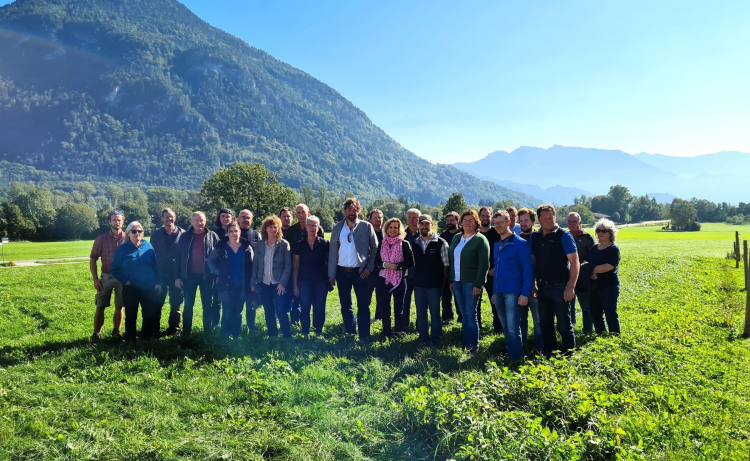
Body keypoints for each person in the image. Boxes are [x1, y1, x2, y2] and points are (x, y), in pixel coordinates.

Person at [531, 204, 579, 356]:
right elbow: (533, 261)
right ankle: (550, 354)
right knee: (545, 324)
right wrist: (533, 284)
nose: (548, 220)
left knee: (564, 325)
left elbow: (575, 262)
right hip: (542, 287)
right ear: (538, 219)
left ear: (555, 217)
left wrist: (570, 287)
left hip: (561, 287)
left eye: (550, 217)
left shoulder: (564, 236)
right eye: (544, 218)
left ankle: (569, 355)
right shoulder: (536, 237)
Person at [328, 197, 378, 341]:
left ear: (358, 211)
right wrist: (331, 274)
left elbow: (375, 248)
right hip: (342, 272)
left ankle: (364, 335)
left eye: (354, 209)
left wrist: (368, 268)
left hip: (360, 272)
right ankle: (350, 332)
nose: (352, 212)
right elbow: (333, 253)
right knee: (345, 304)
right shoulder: (337, 228)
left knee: (363, 304)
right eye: (349, 210)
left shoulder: (366, 226)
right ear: (345, 211)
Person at [110, 221, 163, 343]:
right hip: (131, 288)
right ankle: (130, 339)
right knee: (131, 314)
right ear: (128, 233)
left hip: (149, 287)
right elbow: (114, 268)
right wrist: (125, 281)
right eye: (134, 231)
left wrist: (158, 282)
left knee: (148, 314)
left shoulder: (148, 246)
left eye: (140, 231)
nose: (137, 233)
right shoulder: (122, 249)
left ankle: (146, 337)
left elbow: (155, 266)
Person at [491, 211, 533, 362]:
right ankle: (512, 354)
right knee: (506, 327)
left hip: (514, 292)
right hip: (499, 292)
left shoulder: (520, 243)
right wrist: (494, 292)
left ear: (509, 222)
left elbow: (528, 269)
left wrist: (525, 293)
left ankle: (517, 358)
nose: (498, 226)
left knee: (514, 328)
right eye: (495, 223)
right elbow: (497, 270)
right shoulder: (497, 244)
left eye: (501, 222)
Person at [449, 210, 489, 353]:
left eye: (471, 220)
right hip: (457, 281)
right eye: (465, 219)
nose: (467, 222)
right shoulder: (457, 238)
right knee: (464, 315)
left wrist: (478, 284)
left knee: (471, 315)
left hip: (471, 283)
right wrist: (451, 280)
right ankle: (466, 344)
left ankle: (474, 346)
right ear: (461, 222)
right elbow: (452, 260)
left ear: (476, 222)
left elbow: (484, 264)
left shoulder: (480, 239)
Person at [174, 212, 220, 336]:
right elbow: (178, 257)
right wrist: (177, 277)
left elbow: (219, 258)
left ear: (205, 221)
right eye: (196, 220)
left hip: (207, 277)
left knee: (207, 305)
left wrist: (217, 275)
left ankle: (207, 332)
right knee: (188, 306)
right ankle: (186, 332)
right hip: (189, 277)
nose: (199, 223)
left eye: (201, 220)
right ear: (191, 221)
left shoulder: (213, 236)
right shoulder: (185, 236)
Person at [207, 221, 254, 339]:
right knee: (227, 312)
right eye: (231, 231)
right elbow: (210, 261)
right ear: (227, 233)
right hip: (226, 285)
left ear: (240, 232)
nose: (234, 234)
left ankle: (236, 335)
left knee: (238, 312)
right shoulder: (221, 247)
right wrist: (219, 273)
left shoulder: (247, 247)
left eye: (236, 231)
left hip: (242, 285)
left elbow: (253, 265)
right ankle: (225, 335)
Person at [253, 215, 293, 340]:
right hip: (264, 283)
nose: (273, 230)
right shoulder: (260, 245)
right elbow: (255, 265)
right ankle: (272, 336)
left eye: (275, 227)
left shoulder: (284, 244)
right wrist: (254, 282)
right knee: (268, 311)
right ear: (265, 229)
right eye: (270, 227)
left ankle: (287, 336)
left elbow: (288, 266)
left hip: (278, 284)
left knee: (281, 311)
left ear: (279, 229)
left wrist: (282, 283)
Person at [284, 204, 324, 325]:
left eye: (303, 212)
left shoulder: (318, 229)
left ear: (309, 212)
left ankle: (315, 325)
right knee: (296, 298)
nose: (301, 215)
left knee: (314, 301)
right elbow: (288, 250)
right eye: (298, 213)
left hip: (315, 271)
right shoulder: (291, 230)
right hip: (296, 268)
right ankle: (295, 323)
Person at [412, 215, 449, 346]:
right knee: (421, 313)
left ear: (432, 225)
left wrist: (441, 282)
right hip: (418, 285)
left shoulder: (441, 243)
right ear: (418, 226)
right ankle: (423, 338)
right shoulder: (414, 243)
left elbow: (446, 265)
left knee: (435, 313)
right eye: (422, 224)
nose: (424, 227)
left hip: (434, 285)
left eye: (427, 224)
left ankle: (436, 338)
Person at [89, 210, 126, 340]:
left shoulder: (128, 238)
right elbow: (93, 259)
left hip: (122, 278)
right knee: (100, 306)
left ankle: (116, 331)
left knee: (120, 306)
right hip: (106, 277)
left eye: (119, 220)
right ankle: (97, 333)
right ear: (110, 221)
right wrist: (95, 279)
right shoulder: (101, 239)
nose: (117, 222)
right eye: (114, 220)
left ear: (123, 221)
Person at [374, 218, 414, 339]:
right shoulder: (382, 243)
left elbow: (410, 262)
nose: (393, 230)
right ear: (386, 229)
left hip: (400, 279)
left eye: (395, 227)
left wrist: (397, 266)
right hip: (384, 279)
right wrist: (385, 265)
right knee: (385, 307)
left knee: (399, 308)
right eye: (390, 227)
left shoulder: (404, 243)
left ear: (399, 229)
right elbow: (376, 261)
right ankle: (386, 333)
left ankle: (398, 333)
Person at [292, 216, 330, 339]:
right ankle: (305, 333)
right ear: (306, 227)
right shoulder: (299, 245)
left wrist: (330, 278)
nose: (312, 228)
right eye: (310, 225)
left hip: (321, 281)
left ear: (318, 227)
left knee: (319, 307)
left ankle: (318, 332)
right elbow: (296, 265)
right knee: (305, 307)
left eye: (315, 225)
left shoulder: (325, 244)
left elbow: (329, 262)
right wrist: (295, 284)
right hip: (304, 281)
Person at [150, 208, 185, 336]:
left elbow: (185, 256)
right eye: (166, 217)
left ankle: (174, 329)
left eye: (171, 217)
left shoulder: (182, 233)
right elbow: (151, 255)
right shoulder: (156, 234)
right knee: (157, 304)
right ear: (162, 219)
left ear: (175, 218)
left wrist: (181, 276)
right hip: (160, 275)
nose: (169, 219)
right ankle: (154, 330)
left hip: (177, 276)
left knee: (176, 304)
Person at [516, 207, 544, 354]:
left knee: (538, 320)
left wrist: (534, 284)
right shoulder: (517, 239)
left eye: (526, 220)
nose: (524, 223)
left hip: (536, 286)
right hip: (520, 286)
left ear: (533, 221)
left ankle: (539, 347)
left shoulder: (539, 238)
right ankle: (523, 345)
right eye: (521, 221)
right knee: (521, 320)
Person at [588, 218, 621, 335]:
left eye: (604, 231)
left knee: (610, 312)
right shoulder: (594, 248)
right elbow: (586, 264)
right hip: (594, 287)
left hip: (609, 287)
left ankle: (614, 336)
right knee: (595, 312)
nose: (600, 233)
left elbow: (609, 266)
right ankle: (600, 334)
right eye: (598, 230)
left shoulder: (613, 249)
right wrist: (590, 273)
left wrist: (590, 269)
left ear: (610, 233)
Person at [567, 211, 595, 333]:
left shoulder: (587, 238)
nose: (572, 224)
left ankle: (587, 331)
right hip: (568, 276)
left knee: (586, 306)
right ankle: (571, 328)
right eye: (569, 221)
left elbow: (594, 256)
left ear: (580, 223)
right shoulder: (565, 237)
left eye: (574, 221)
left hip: (583, 276)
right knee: (569, 305)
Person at [479, 206, 502, 334]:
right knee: (475, 304)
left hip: (493, 273)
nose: (485, 218)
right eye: (483, 215)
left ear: (491, 217)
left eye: (488, 216)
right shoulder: (475, 233)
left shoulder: (496, 233)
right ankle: (477, 329)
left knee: (495, 302)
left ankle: (498, 330)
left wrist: (495, 268)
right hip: (477, 274)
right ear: (479, 217)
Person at [210, 208, 235, 330]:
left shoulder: (236, 232)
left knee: (231, 300)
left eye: (227, 216)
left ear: (232, 218)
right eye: (223, 216)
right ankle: (216, 325)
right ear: (219, 219)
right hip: (219, 273)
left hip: (234, 273)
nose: (225, 218)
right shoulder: (214, 234)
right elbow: (212, 256)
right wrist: (217, 272)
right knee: (217, 300)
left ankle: (230, 324)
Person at [238, 209, 262, 332]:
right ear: (238, 219)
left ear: (251, 221)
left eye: (248, 218)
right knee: (238, 304)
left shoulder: (256, 235)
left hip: (252, 276)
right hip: (237, 276)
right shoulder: (233, 233)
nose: (245, 220)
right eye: (243, 217)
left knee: (251, 305)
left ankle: (251, 328)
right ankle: (236, 328)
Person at [402, 208, 421, 331]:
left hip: (420, 274)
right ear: (407, 219)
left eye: (415, 217)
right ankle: (404, 325)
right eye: (410, 217)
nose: (412, 220)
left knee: (421, 302)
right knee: (405, 301)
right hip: (405, 274)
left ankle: (421, 325)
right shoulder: (402, 234)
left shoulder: (425, 233)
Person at [439, 211, 461, 321]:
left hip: (459, 269)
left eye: (452, 220)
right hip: (446, 268)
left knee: (459, 296)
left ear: (458, 221)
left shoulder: (462, 234)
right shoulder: (443, 235)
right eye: (447, 220)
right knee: (445, 295)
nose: (449, 222)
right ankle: (447, 317)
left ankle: (461, 317)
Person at [368, 209, 385, 319]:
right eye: (375, 217)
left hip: (383, 270)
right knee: (366, 295)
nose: (378, 220)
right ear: (370, 219)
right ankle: (363, 317)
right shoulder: (367, 233)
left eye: (380, 217)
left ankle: (379, 317)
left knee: (382, 295)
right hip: (369, 270)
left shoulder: (386, 233)